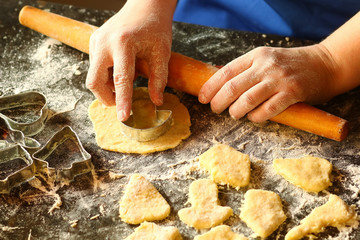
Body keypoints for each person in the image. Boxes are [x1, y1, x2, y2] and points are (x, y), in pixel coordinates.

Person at [85, 0, 360, 123]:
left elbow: (335, 57)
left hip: (339, 34)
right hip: (203, 13)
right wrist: (146, 5)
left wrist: (330, 61)